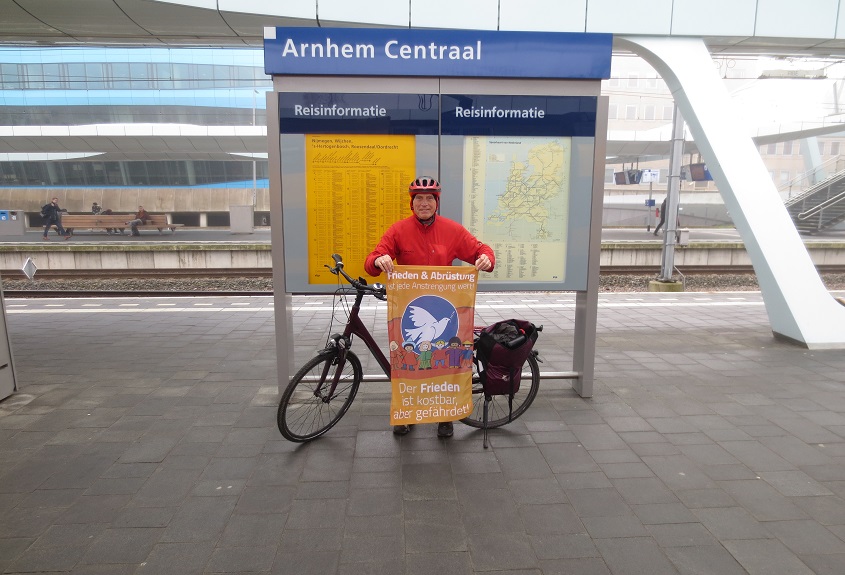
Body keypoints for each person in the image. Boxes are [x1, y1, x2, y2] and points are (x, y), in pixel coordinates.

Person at [365, 176, 495, 438]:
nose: (424, 203)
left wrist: (486, 258)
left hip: (443, 307)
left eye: (429, 199)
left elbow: (481, 250)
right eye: (419, 199)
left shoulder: (452, 230)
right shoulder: (398, 230)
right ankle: (407, 414)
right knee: (409, 362)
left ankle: (445, 416)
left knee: (443, 361)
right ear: (412, 203)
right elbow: (372, 259)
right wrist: (380, 260)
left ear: (437, 202)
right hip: (411, 312)